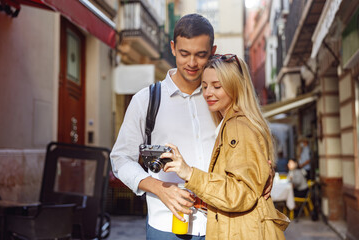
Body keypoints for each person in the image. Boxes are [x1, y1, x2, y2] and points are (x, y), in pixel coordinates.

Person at [110, 14, 273, 240]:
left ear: (212, 51)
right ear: (173, 48)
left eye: (201, 54)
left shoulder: (219, 98)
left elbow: (244, 142)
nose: (192, 63)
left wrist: (263, 170)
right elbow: (120, 159)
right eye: (185, 53)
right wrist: (158, 188)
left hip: (222, 226)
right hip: (166, 226)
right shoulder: (146, 100)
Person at [162, 54, 290, 239]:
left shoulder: (237, 127)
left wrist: (189, 173)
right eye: (204, 86)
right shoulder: (233, 123)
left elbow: (240, 194)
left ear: (235, 86)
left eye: (217, 86)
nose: (208, 93)